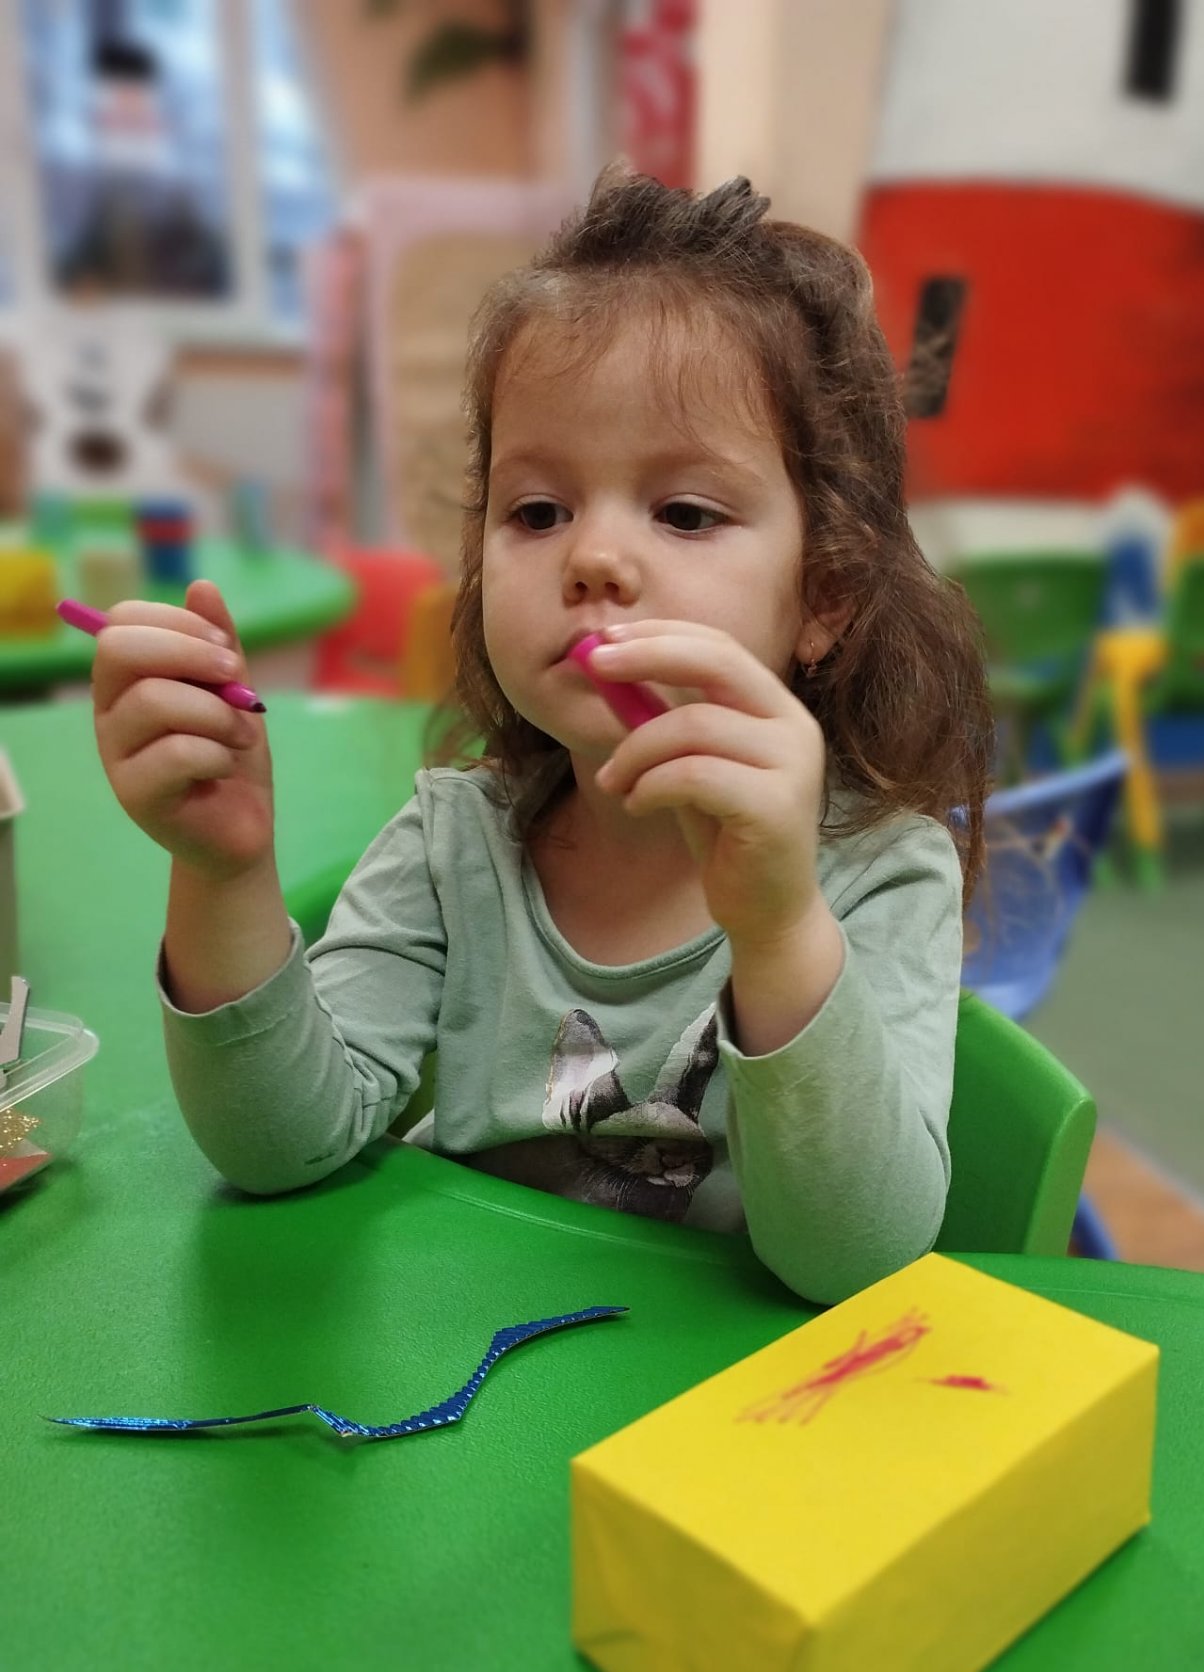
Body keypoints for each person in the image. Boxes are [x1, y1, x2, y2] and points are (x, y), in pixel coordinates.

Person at [90, 167, 993, 1305]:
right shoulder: (455, 843)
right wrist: (223, 872)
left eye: (684, 512)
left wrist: (777, 930)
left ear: (826, 595)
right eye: (537, 511)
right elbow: (281, 1148)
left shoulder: (878, 873)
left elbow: (854, 1263)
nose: (592, 557)